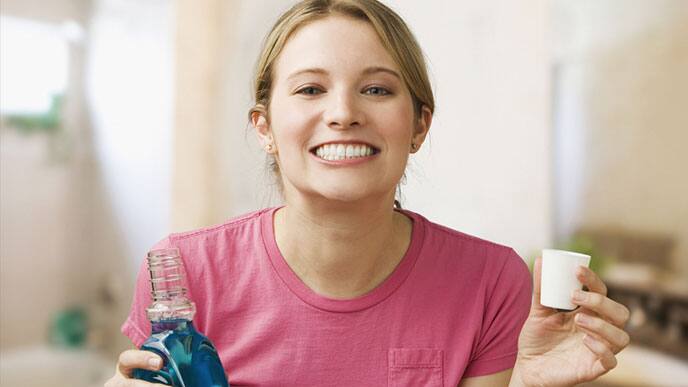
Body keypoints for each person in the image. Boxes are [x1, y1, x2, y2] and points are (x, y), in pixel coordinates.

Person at [105, 0, 631, 386]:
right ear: (264, 126)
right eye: (310, 88)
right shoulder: (186, 270)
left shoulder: (491, 283)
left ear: (419, 125)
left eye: (376, 89)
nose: (343, 113)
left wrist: (530, 385)